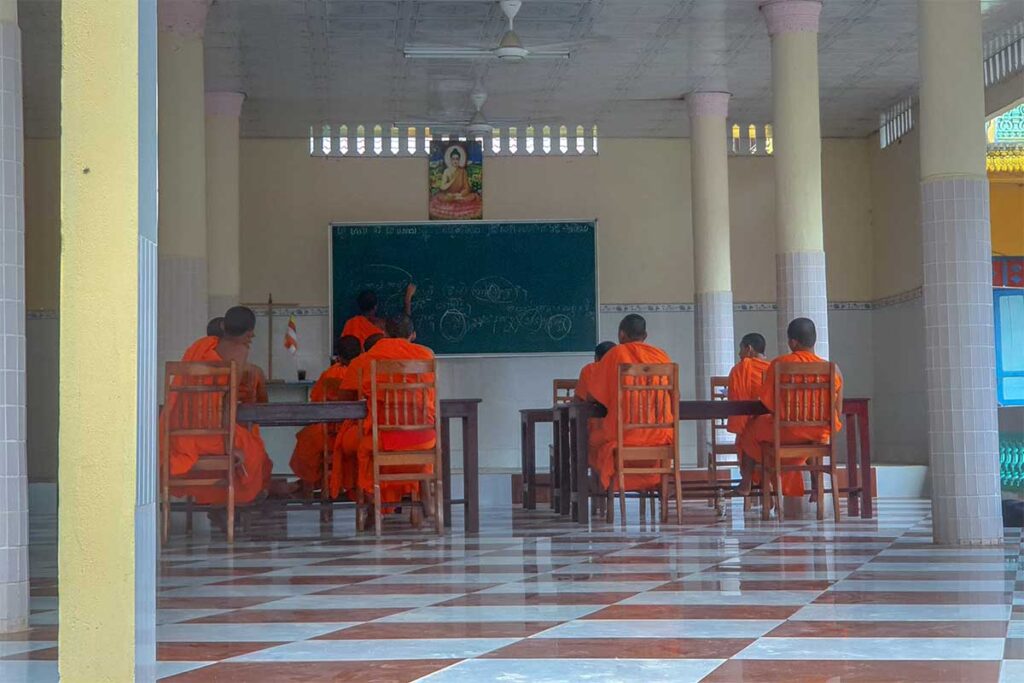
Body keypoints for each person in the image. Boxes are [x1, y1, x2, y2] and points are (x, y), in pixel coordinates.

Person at [161, 306, 272, 508]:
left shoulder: (201, 346)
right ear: (249, 333)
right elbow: (230, 397)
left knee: (247, 445)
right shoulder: (240, 351)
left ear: (223, 326)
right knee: (256, 451)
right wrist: (230, 443)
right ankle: (228, 501)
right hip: (214, 436)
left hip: (180, 436)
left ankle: (217, 501)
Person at [739, 317, 844, 499]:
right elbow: (838, 410)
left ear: (793, 342)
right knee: (807, 436)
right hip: (819, 434)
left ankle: (747, 483)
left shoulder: (780, 365)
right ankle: (816, 485)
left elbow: (768, 403)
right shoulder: (833, 369)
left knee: (749, 430)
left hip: (785, 433)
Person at [343, 315, 437, 512]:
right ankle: (424, 491)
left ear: (384, 333)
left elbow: (345, 398)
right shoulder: (427, 357)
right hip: (424, 438)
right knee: (413, 444)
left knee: (362, 447)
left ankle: (372, 501)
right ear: (412, 335)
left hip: (385, 440)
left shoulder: (365, 360)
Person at [586, 315, 674, 495]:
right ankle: (655, 482)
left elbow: (594, 395)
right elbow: (675, 396)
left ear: (621, 334)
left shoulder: (615, 354)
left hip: (625, 437)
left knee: (593, 440)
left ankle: (604, 487)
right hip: (660, 438)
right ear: (645, 335)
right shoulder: (661, 356)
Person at [288, 335, 362, 495]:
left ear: (338, 356)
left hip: (328, 434)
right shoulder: (361, 373)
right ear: (361, 353)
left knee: (307, 438)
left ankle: (308, 486)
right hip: (352, 433)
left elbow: (316, 402)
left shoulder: (329, 374)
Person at [726, 333, 773, 496]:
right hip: (779, 428)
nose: (739, 354)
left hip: (761, 430)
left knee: (747, 433)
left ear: (749, 349)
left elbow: (736, 402)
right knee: (752, 429)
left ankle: (746, 482)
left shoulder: (741, 369)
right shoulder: (774, 369)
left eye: (741, 349)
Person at [341, 284, 416, 350]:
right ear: (375, 307)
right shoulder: (382, 324)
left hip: (356, 358)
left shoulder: (350, 323)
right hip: (376, 358)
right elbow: (404, 325)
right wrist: (408, 298)